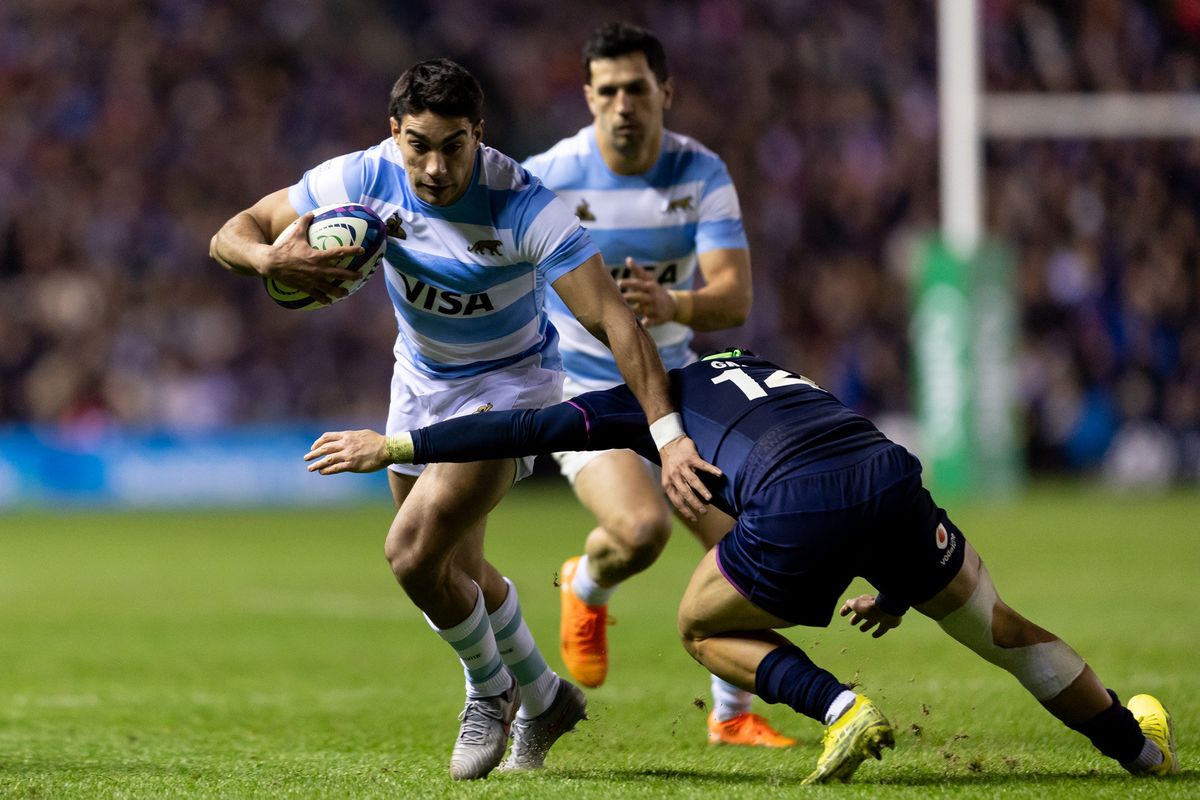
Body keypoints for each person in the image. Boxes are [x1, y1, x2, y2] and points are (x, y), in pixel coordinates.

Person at [304, 349, 1180, 784]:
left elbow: (525, 428)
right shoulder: (766, 365)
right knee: (1002, 628)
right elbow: (845, 465)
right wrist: (904, 586)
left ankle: (840, 707)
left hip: (799, 502)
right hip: (885, 473)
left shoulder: (658, 395)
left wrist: (398, 441)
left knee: (697, 623)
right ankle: (1137, 751)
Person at [209, 58, 717, 781]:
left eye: (455, 144)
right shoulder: (362, 177)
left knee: (412, 553)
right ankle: (545, 697)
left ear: (479, 134)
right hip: (418, 380)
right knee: (457, 569)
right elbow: (233, 231)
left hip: (513, 389)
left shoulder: (522, 204)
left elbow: (614, 321)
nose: (437, 165)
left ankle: (491, 690)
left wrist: (667, 437)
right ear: (395, 134)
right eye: (420, 144)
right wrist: (269, 256)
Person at [521, 22, 783, 747]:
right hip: (585, 390)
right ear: (588, 97)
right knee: (641, 531)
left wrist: (677, 305)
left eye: (637, 88)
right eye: (607, 91)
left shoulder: (701, 172)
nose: (623, 104)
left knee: (743, 545)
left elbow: (733, 298)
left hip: (677, 386)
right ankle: (586, 585)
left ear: (665, 91)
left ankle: (731, 717)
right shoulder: (549, 174)